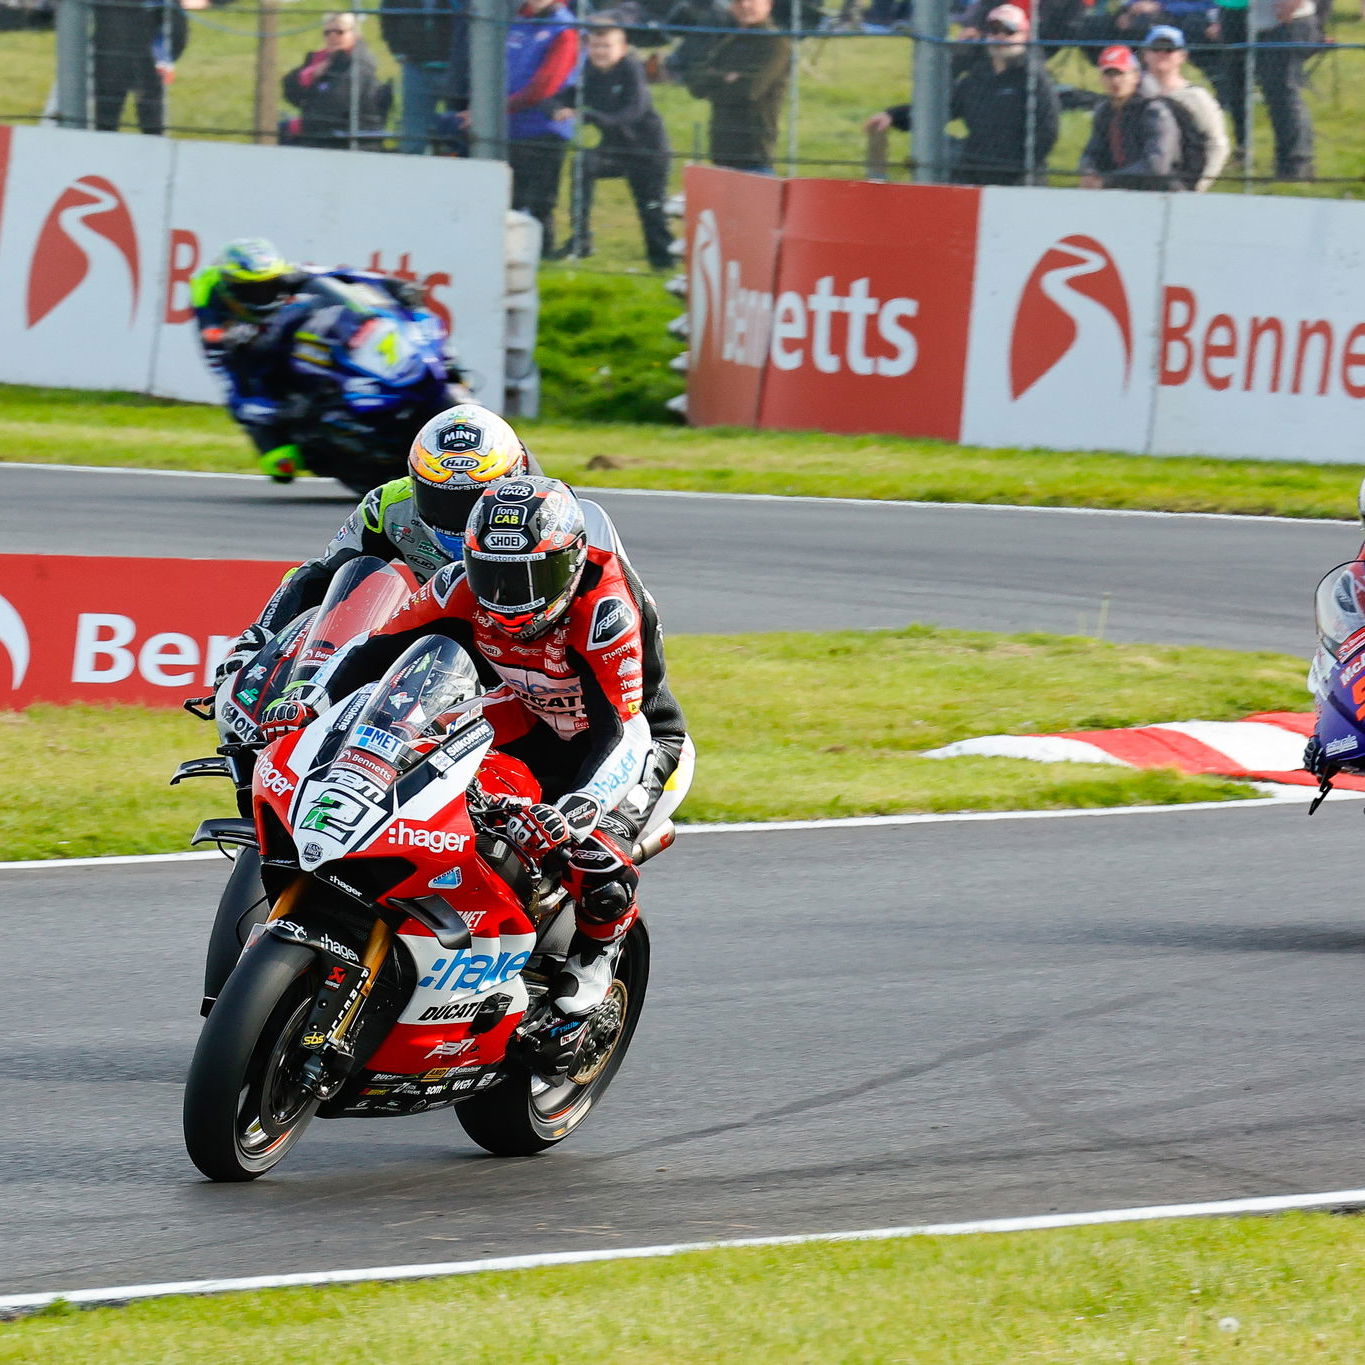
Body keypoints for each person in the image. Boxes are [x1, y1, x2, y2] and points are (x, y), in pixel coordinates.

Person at [263, 476, 694, 1031]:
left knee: (595, 854)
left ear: (570, 562)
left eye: (529, 576)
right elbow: (372, 656)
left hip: (630, 743)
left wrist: (581, 808)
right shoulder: (456, 587)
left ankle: (594, 964)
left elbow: (623, 730)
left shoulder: (604, 607)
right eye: (492, 573)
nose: (507, 594)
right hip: (527, 717)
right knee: (430, 787)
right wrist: (309, 699)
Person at [214, 403, 546, 676]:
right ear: (415, 479)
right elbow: (320, 577)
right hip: (440, 642)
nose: (458, 517)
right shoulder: (387, 506)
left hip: (532, 651)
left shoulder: (545, 513)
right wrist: (257, 640)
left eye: (473, 501)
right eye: (440, 498)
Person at [190, 237, 455, 479]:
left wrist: (390, 286)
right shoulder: (212, 306)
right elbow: (221, 360)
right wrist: (237, 340)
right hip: (232, 344)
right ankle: (274, 443)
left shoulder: (282, 276)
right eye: (252, 290)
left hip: (275, 321)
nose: (263, 295)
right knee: (250, 402)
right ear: (232, 288)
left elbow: (335, 276)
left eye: (269, 286)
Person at [863, 4, 1060, 187]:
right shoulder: (978, 77)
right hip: (973, 169)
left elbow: (1048, 131)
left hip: (1018, 176)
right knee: (944, 151)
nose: (1000, 36)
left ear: (1024, 36)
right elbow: (939, 110)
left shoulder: (1034, 78)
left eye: (1009, 31)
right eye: (993, 30)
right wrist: (893, 116)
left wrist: (1019, 168)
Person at [554, 19, 673, 269]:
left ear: (622, 47)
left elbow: (633, 112)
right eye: (595, 46)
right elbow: (564, 96)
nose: (600, 52)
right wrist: (556, 107)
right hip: (613, 149)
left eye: (606, 46)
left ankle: (662, 262)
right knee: (583, 163)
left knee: (651, 210)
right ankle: (581, 239)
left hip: (647, 151)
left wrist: (591, 116)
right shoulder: (590, 70)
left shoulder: (631, 69)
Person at [684, 0, 791, 174]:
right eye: (739, 1)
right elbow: (695, 82)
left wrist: (713, 86)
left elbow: (748, 91)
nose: (745, 5)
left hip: (753, 152)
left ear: (768, 4)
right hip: (721, 150)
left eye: (752, 1)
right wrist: (725, 78)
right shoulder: (730, 41)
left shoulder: (775, 44)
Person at [1213, 0, 1316, 180]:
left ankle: (1296, 166)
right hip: (1251, 19)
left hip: (1286, 20)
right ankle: (1263, 158)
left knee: (1282, 94)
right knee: (1260, 94)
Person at [1078, 43, 1181, 189]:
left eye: (1121, 73)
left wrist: (1108, 181)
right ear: (1101, 78)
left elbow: (1157, 165)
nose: (1115, 81)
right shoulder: (1104, 112)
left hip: (1159, 194)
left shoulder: (1154, 110)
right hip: (1119, 191)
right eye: (1109, 74)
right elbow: (1092, 152)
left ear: (1136, 76)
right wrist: (1089, 172)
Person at [1140, 24, 1230, 190]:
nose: (1162, 54)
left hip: (1183, 185)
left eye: (1169, 49)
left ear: (1182, 56)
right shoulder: (1136, 96)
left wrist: (1200, 185)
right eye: (1156, 48)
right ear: (1145, 54)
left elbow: (1218, 144)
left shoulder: (1197, 97)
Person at [281, 12, 390, 148]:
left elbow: (333, 104)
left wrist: (302, 122)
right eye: (327, 32)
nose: (332, 36)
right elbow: (289, 89)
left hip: (345, 137)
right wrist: (310, 76)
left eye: (339, 31)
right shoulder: (320, 60)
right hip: (320, 130)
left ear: (355, 35)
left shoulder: (360, 65)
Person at [92, 0, 188, 135]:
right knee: (109, 116)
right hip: (125, 57)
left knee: (108, 117)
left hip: (129, 59)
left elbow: (176, 28)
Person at [380, 0, 459, 154]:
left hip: (455, 69)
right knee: (413, 134)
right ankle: (411, 174)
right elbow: (388, 16)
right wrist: (398, 50)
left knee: (458, 127)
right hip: (416, 68)